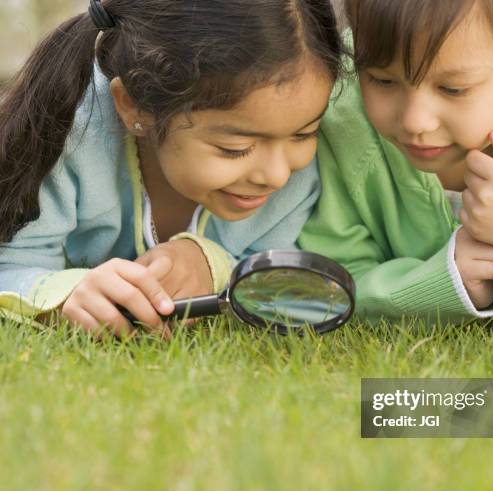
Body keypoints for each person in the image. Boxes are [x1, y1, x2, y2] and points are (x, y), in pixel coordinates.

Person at [0, 0, 342, 337]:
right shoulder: (68, 134)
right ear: (133, 107)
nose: (277, 175)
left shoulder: (296, 173)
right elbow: (10, 264)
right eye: (234, 149)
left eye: (304, 134)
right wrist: (67, 294)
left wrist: (211, 264)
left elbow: (282, 274)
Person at [300, 0, 493, 339]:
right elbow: (327, 285)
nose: (415, 122)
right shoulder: (339, 103)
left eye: (453, 89)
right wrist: (439, 285)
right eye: (382, 81)